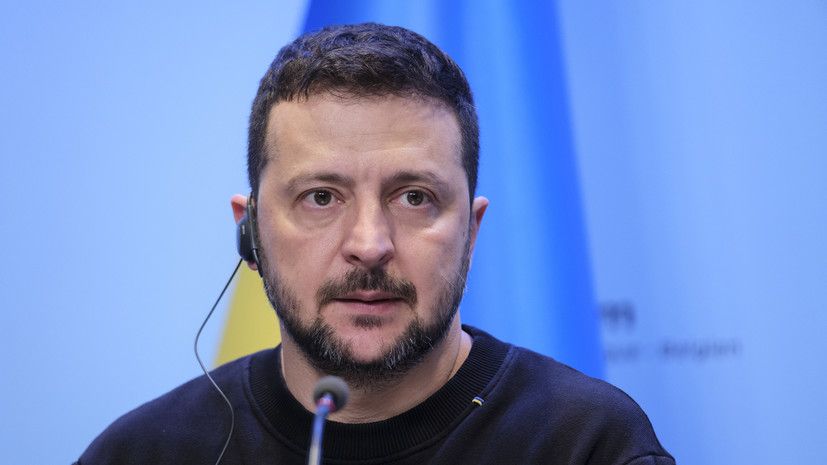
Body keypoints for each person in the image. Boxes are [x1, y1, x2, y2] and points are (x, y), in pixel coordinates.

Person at [76, 23, 674, 465]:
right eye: (320, 197)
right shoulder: (142, 453)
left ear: (471, 232)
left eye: (414, 197)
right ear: (251, 231)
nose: (369, 244)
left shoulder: (589, 445)